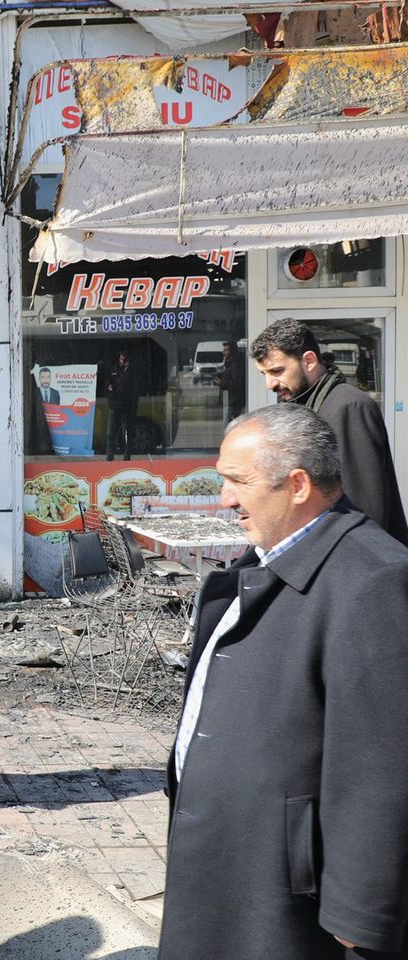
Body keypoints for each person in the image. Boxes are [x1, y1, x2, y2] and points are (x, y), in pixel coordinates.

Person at [161, 403, 408, 960]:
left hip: (291, 894)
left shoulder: (372, 579)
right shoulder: (265, 559)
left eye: (238, 482)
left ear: (297, 485)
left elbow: (383, 762)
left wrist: (362, 909)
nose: (224, 499)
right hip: (236, 860)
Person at [250, 317, 408, 544]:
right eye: (264, 374)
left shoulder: (348, 406)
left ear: (309, 360)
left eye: (277, 370)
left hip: (358, 562)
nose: (270, 384)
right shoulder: (310, 406)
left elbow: (364, 503)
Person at [105, 350, 139, 461]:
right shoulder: (113, 369)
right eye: (122, 357)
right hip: (115, 406)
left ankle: (127, 454)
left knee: (128, 432)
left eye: (125, 358)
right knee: (111, 432)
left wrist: (127, 369)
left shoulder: (131, 370)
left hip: (127, 407)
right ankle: (110, 454)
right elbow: (108, 384)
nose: (123, 359)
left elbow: (134, 388)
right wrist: (110, 398)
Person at [215, 341, 244, 428]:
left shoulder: (235, 364)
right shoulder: (230, 363)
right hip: (231, 400)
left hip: (233, 401)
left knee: (227, 427)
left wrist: (222, 383)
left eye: (226, 350)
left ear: (233, 351)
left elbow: (236, 384)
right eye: (223, 350)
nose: (223, 353)